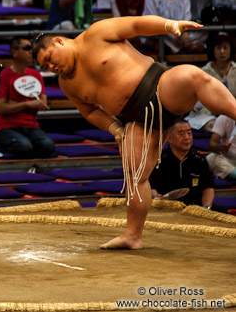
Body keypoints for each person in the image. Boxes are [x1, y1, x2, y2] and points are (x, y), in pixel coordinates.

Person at [32, 15, 236, 249]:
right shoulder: (66, 83)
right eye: (45, 66)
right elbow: (89, 111)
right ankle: (132, 236)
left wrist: (170, 25)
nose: (51, 67)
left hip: (161, 87)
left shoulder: (97, 33)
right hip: (138, 120)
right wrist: (115, 129)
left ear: (59, 41)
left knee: (193, 75)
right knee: (135, 174)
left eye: (49, 59)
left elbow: (137, 25)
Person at [0, 37, 55, 159]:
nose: (31, 52)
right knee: (23, 146)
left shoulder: (35, 74)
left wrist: (13, 104)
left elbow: (43, 103)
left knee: (48, 146)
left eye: (32, 49)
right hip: (7, 127)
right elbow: (1, 108)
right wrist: (27, 104)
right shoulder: (4, 75)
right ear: (14, 52)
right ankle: (2, 146)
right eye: (27, 48)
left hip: (31, 126)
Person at [149, 121, 215, 208]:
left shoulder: (199, 160)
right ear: (169, 138)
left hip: (194, 207)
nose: (187, 137)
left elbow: (208, 188)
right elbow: (151, 186)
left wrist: (206, 207)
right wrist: (155, 196)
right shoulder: (159, 160)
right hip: (166, 208)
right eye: (181, 134)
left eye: (189, 133)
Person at [185, 34, 236, 132]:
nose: (222, 51)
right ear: (212, 50)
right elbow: (198, 101)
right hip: (208, 113)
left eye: (225, 48)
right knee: (213, 126)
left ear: (231, 50)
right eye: (218, 48)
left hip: (232, 111)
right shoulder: (202, 72)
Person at [207, 115, 236, 181]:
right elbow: (211, 145)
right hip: (228, 160)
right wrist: (220, 147)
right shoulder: (224, 118)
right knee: (211, 158)